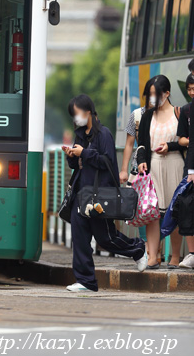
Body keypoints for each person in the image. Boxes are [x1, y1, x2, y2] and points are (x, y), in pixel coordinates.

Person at [63, 94, 147, 292]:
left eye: (77, 114)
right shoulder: (81, 135)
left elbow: (108, 162)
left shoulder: (104, 135)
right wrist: (72, 156)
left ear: (88, 111)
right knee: (80, 236)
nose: (76, 119)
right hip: (81, 194)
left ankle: (137, 248)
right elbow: (78, 165)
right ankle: (86, 281)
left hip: (100, 195)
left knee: (105, 238)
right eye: (73, 115)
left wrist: (84, 153)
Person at [136, 74, 185, 268]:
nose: (152, 99)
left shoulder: (179, 113)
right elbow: (142, 145)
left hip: (175, 165)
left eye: (156, 94)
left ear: (167, 93)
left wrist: (170, 146)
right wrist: (141, 161)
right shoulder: (148, 115)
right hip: (154, 166)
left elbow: (185, 142)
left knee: (175, 212)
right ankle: (153, 256)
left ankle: (175, 256)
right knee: (153, 213)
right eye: (149, 95)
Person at [120, 77, 155, 185]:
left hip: (159, 167)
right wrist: (124, 170)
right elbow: (129, 144)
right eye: (149, 94)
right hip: (138, 168)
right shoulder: (136, 115)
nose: (152, 97)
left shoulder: (169, 115)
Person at [177, 73, 194, 269]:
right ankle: (191, 253)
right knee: (188, 207)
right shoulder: (187, 110)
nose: (191, 92)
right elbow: (181, 138)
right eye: (188, 89)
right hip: (190, 163)